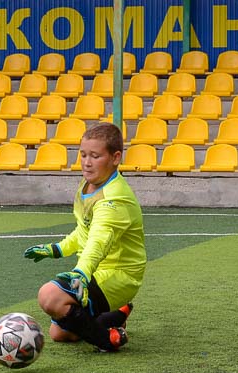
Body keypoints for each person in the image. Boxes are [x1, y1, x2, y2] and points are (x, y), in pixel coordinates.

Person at [24, 122, 147, 352]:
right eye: (83, 155)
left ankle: (104, 339)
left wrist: (81, 272)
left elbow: (98, 240)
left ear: (115, 157)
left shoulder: (114, 199)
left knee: (49, 297)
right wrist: (56, 248)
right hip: (96, 270)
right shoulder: (88, 185)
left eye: (95, 156)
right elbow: (84, 231)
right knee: (60, 333)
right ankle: (115, 314)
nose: (87, 162)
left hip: (120, 274)